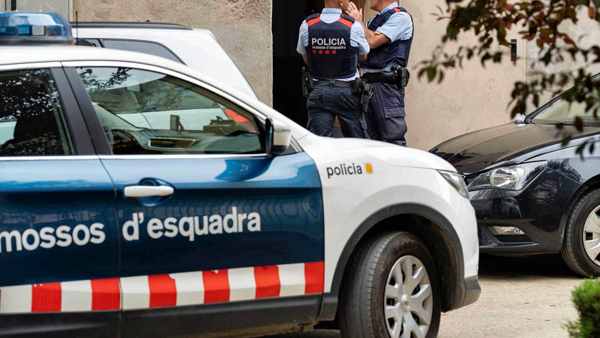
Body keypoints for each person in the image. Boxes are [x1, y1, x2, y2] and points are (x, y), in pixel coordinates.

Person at [297, 0, 370, 138]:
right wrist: (359, 22)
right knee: (358, 143)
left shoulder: (307, 25)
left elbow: (306, 59)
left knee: (318, 143)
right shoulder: (352, 25)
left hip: (319, 90)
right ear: (340, 1)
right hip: (347, 91)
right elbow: (364, 55)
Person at [345, 0, 414, 146]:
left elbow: (372, 41)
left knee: (393, 140)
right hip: (367, 87)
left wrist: (358, 22)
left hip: (386, 88)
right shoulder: (374, 20)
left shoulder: (400, 17)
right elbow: (364, 52)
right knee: (372, 144)